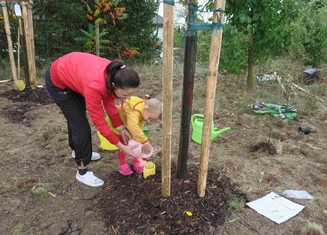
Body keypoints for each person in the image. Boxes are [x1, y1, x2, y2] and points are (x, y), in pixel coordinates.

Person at [45, 52, 140, 187]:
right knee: (80, 125)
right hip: (58, 81)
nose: (127, 98)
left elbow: (109, 104)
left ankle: (77, 151)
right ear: (114, 85)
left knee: (77, 117)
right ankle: (82, 171)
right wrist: (122, 147)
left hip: (74, 76)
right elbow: (100, 123)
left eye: (131, 94)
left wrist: (121, 128)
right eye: (125, 94)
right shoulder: (95, 86)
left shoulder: (115, 74)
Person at [104, 95, 162, 175]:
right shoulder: (135, 110)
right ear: (146, 110)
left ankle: (136, 162)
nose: (148, 121)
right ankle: (123, 165)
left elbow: (134, 128)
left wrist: (140, 139)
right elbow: (132, 126)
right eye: (149, 118)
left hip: (128, 127)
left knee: (135, 145)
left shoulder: (144, 111)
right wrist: (144, 140)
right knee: (123, 145)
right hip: (118, 126)